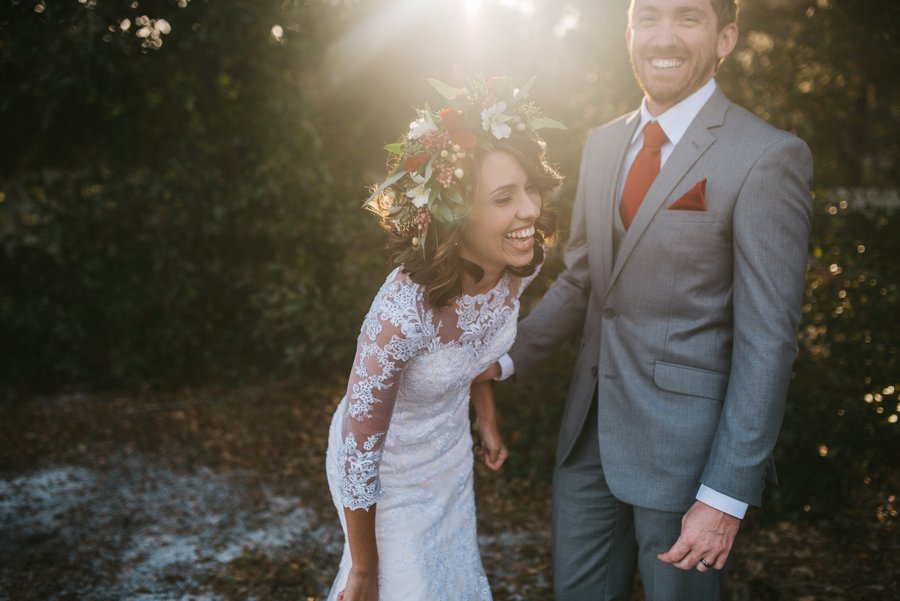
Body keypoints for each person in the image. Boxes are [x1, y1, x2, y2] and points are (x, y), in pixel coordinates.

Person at [480, 0, 814, 598]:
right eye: (651, 17)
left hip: (686, 460)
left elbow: (769, 340)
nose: (666, 36)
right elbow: (584, 279)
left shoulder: (766, 157)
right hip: (586, 441)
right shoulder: (603, 145)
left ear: (726, 38)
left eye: (688, 18)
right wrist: (501, 357)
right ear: (629, 34)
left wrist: (725, 494)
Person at [324, 75, 564, 601]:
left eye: (529, 188)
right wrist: (365, 569)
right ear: (455, 218)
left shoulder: (517, 265)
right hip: (385, 475)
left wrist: (486, 416)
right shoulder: (401, 314)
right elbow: (357, 452)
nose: (529, 209)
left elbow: (471, 350)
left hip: (449, 454)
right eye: (505, 197)